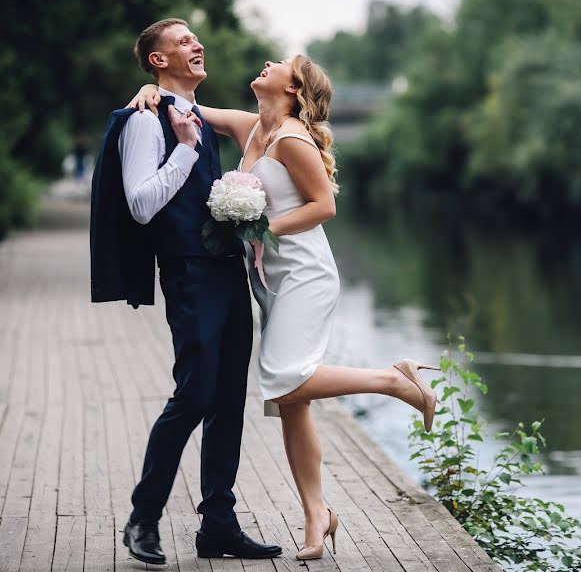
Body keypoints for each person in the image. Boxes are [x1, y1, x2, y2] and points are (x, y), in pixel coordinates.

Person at [128, 54, 439, 560]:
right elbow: (189, 107)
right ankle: (318, 517)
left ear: (293, 88)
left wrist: (260, 230)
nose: (267, 62)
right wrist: (149, 94)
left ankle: (393, 379)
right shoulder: (254, 127)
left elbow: (324, 205)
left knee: (284, 378)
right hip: (270, 277)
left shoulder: (292, 138)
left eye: (280, 63)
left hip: (303, 272)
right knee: (292, 402)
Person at [93, 18, 282, 564]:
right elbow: (141, 205)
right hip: (188, 274)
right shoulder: (145, 122)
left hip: (226, 271)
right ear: (157, 60)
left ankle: (218, 526)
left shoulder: (195, 112)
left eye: (196, 37)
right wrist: (182, 149)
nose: (197, 44)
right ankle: (143, 519)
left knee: (228, 402)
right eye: (181, 41)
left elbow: (273, 124)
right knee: (194, 397)